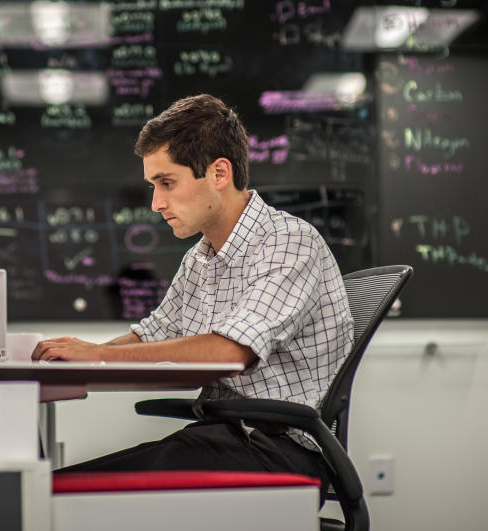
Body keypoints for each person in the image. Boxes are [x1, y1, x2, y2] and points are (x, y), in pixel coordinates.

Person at [34, 94, 354, 490]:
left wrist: (98, 355)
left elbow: (231, 351)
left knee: (59, 493)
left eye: (167, 183)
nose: (155, 203)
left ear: (219, 173)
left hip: (280, 455)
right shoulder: (199, 259)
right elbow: (151, 336)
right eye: (153, 186)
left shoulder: (288, 242)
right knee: (50, 486)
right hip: (225, 440)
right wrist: (67, 368)